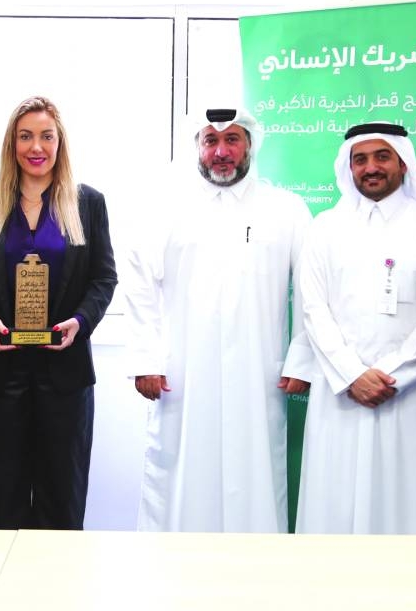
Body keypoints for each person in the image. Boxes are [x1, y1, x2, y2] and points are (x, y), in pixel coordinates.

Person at [125, 107, 312, 532]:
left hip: (258, 374)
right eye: (211, 141)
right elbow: (138, 282)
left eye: (232, 140)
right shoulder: (166, 209)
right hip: (183, 376)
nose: (221, 152)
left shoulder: (286, 209)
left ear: (250, 145)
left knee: (257, 476)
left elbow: (309, 289)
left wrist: (302, 358)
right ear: (198, 147)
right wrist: (145, 359)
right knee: (180, 472)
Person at [0, 95, 117, 530]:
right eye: (26, 136)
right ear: (11, 144)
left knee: (62, 499)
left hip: (64, 373)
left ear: (60, 142)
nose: (36, 147)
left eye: (46, 136)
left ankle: (59, 591)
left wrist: (81, 322)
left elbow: (103, 279)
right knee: (5, 496)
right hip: (0, 375)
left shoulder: (88, 203)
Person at [295, 122, 416, 534]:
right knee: (335, 503)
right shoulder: (325, 226)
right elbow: (313, 309)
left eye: (382, 156)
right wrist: (352, 374)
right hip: (342, 391)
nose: (371, 168)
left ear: (402, 162)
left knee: (408, 507)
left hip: (410, 392)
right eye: (360, 159)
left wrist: (392, 375)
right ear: (348, 167)